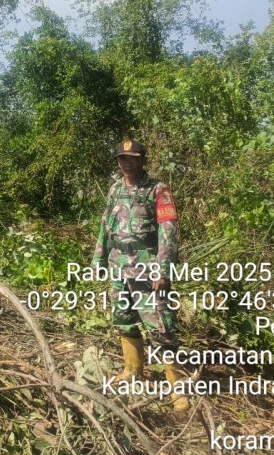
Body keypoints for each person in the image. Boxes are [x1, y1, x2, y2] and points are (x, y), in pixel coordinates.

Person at [93, 139, 189, 411]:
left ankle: (176, 387)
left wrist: (163, 270)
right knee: (123, 320)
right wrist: (98, 258)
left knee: (161, 327)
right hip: (118, 266)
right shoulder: (115, 190)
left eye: (132, 158)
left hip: (147, 269)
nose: (126, 163)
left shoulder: (158, 190)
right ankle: (133, 370)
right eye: (122, 158)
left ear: (143, 160)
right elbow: (105, 225)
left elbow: (168, 232)